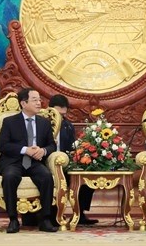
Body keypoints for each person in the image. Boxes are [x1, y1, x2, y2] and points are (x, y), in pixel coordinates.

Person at [0, 88, 58, 233]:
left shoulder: (44, 123)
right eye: (34, 100)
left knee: (46, 177)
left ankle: (45, 219)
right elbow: (3, 146)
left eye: (39, 99)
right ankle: (13, 219)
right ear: (24, 103)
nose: (39, 102)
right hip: (13, 161)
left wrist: (43, 151)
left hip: (35, 162)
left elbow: (52, 145)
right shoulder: (9, 122)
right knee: (10, 177)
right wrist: (25, 149)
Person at [49, 94, 99, 225]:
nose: (61, 118)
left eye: (63, 115)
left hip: (66, 162)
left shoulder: (68, 125)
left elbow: (72, 147)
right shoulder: (43, 123)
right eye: (58, 115)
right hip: (47, 163)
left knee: (88, 177)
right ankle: (52, 215)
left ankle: (79, 213)